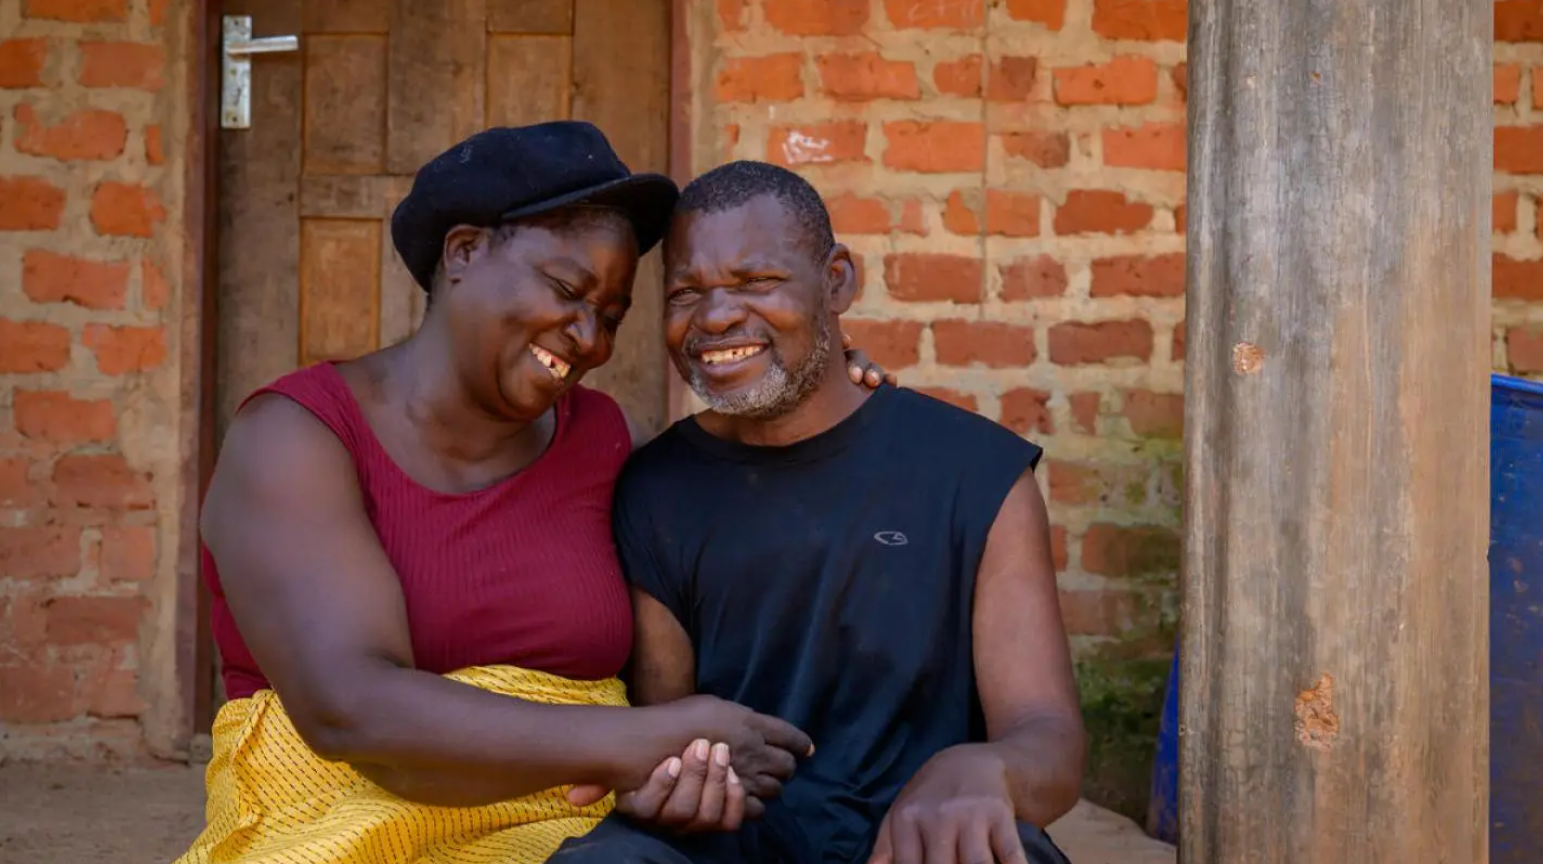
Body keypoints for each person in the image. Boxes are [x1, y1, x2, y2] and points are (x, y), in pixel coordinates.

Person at [174, 124, 893, 864]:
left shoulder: (602, 440)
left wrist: (817, 393)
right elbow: (350, 707)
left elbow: (732, 518)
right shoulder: (296, 437)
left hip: (571, 833)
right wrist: (636, 742)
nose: (587, 336)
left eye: (611, 316)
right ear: (463, 253)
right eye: (566, 289)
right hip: (333, 827)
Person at [550, 160, 1086, 864]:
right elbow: (668, 726)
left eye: (754, 283)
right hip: (728, 842)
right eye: (686, 293)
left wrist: (989, 770)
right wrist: (671, 780)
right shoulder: (655, 487)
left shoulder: (975, 473)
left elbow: (1044, 732)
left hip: (916, 835)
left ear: (836, 281)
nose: (715, 318)